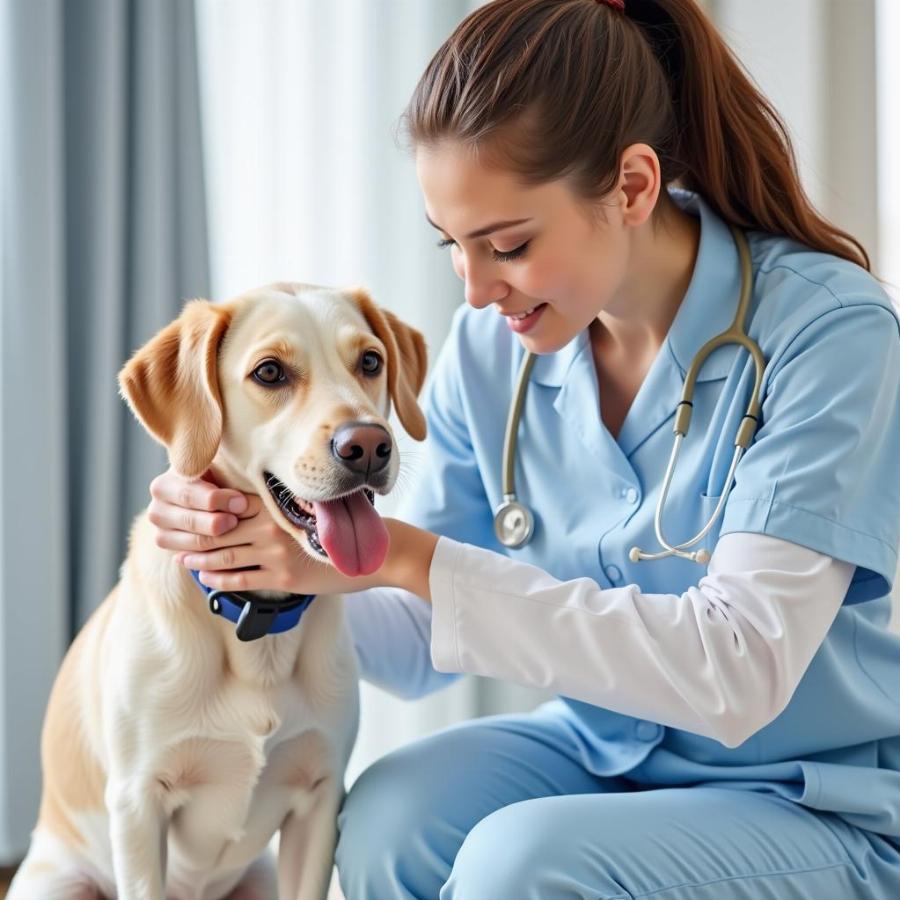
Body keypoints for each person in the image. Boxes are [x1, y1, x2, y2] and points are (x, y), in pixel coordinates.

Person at [148, 0, 900, 896]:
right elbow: (425, 633)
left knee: (520, 865)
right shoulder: (498, 348)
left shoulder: (828, 332)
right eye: (454, 247)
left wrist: (404, 556)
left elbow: (735, 672)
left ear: (631, 186)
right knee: (390, 816)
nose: (474, 292)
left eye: (507, 244)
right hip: (606, 746)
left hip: (804, 790)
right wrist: (266, 558)